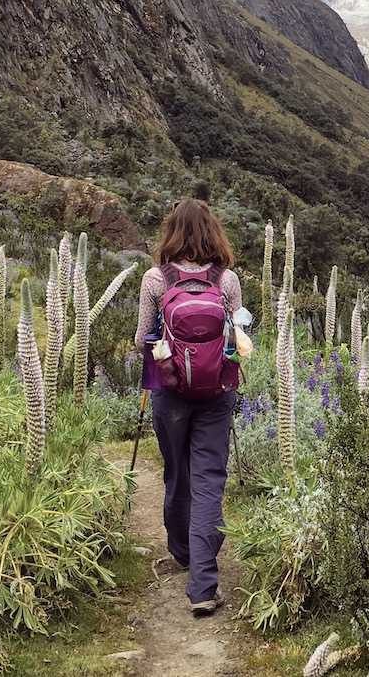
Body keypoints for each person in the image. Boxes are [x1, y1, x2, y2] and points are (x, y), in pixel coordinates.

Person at [134, 198, 244, 616]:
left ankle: (183, 550)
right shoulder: (227, 280)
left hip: (169, 391)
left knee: (177, 472)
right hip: (217, 392)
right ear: (212, 231)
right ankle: (203, 585)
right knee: (209, 480)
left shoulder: (154, 279)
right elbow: (239, 341)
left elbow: (142, 338)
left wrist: (169, 360)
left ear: (172, 232)